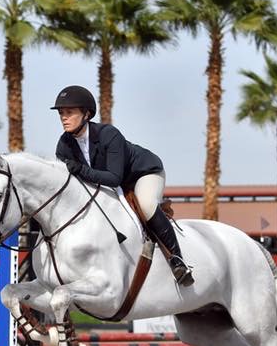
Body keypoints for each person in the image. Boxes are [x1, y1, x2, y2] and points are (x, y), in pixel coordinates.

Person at [51, 85, 194, 286]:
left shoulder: (109, 134)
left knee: (145, 204)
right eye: (61, 113)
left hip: (143, 174)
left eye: (69, 112)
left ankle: (177, 260)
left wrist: (81, 170)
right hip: (109, 181)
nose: (64, 117)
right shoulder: (64, 145)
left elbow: (114, 178)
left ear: (86, 114)